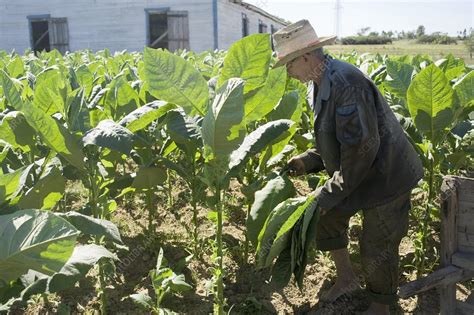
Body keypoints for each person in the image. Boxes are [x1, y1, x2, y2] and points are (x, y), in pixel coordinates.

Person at [272, 20, 424, 315]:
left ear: (305, 57)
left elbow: (359, 153)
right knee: (325, 218)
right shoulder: (317, 84)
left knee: (377, 245)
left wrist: (326, 197)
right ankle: (347, 279)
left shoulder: (346, 84)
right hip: (356, 175)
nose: (288, 73)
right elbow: (338, 140)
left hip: (385, 176)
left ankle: (381, 307)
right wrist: (309, 160)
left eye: (289, 65)